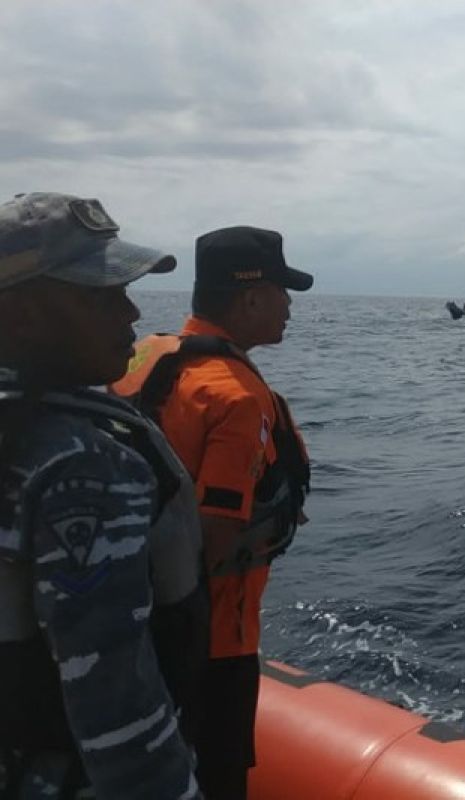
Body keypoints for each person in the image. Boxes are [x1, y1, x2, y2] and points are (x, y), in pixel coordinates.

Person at [0, 193, 204, 798]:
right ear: (21, 313)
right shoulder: (87, 464)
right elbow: (116, 709)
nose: (132, 313)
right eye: (101, 295)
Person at [112, 226, 313, 799]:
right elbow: (213, 540)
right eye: (283, 291)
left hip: (132, 622)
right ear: (251, 299)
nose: (290, 305)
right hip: (212, 643)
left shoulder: (144, 355)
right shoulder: (238, 399)